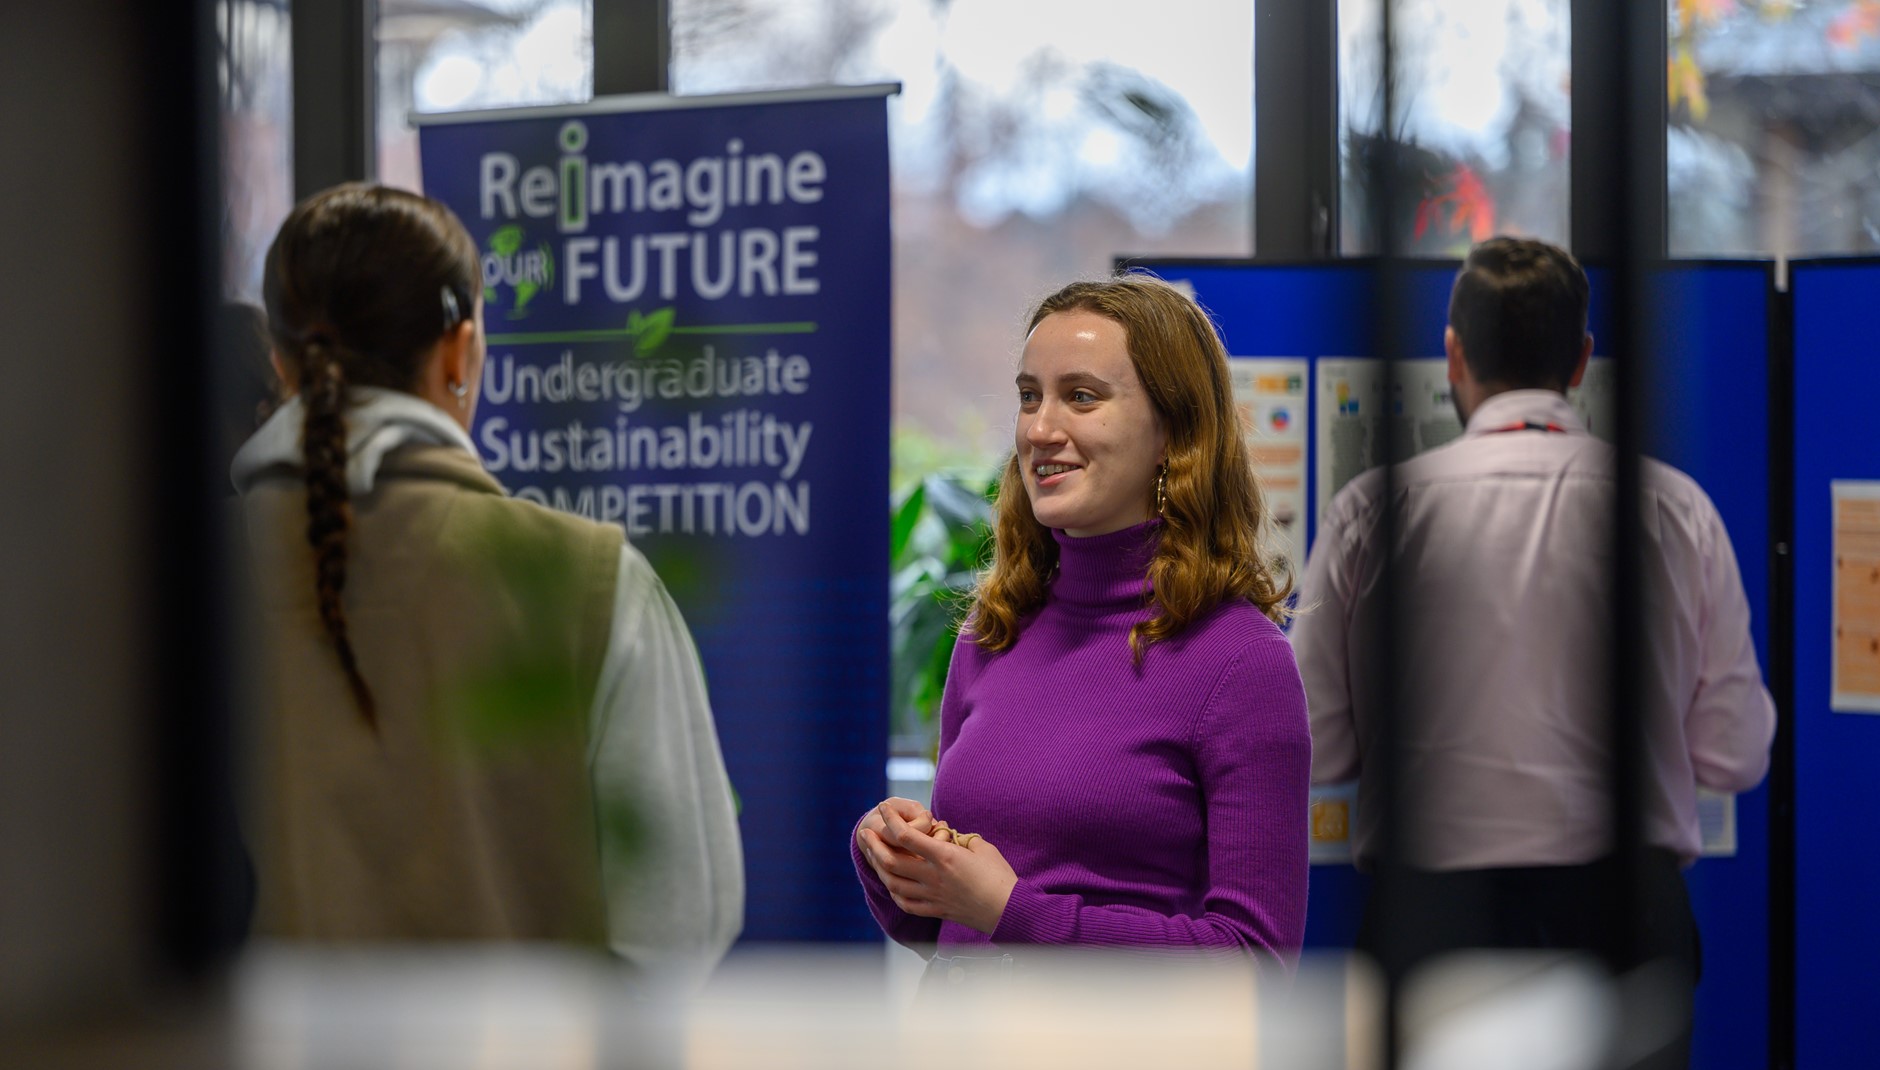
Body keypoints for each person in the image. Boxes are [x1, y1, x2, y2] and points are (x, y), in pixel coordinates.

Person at [1289, 236, 1775, 1070]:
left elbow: (1314, 748)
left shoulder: (1371, 512)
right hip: (1623, 922)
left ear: (1452, 358)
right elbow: (1733, 755)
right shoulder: (1673, 509)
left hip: (1432, 924)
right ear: (1581, 359)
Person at [232, 183, 742, 988]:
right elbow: (674, 934)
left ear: (282, 362)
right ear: (457, 351)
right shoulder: (594, 584)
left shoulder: (146, 593)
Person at [852, 274, 1311, 981]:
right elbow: (962, 933)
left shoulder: (1241, 661)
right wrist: (906, 868)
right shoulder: (993, 629)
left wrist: (1016, 910)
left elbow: (1254, 965)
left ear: (1172, 432)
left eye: (1082, 396)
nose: (1040, 428)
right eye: (1030, 395)